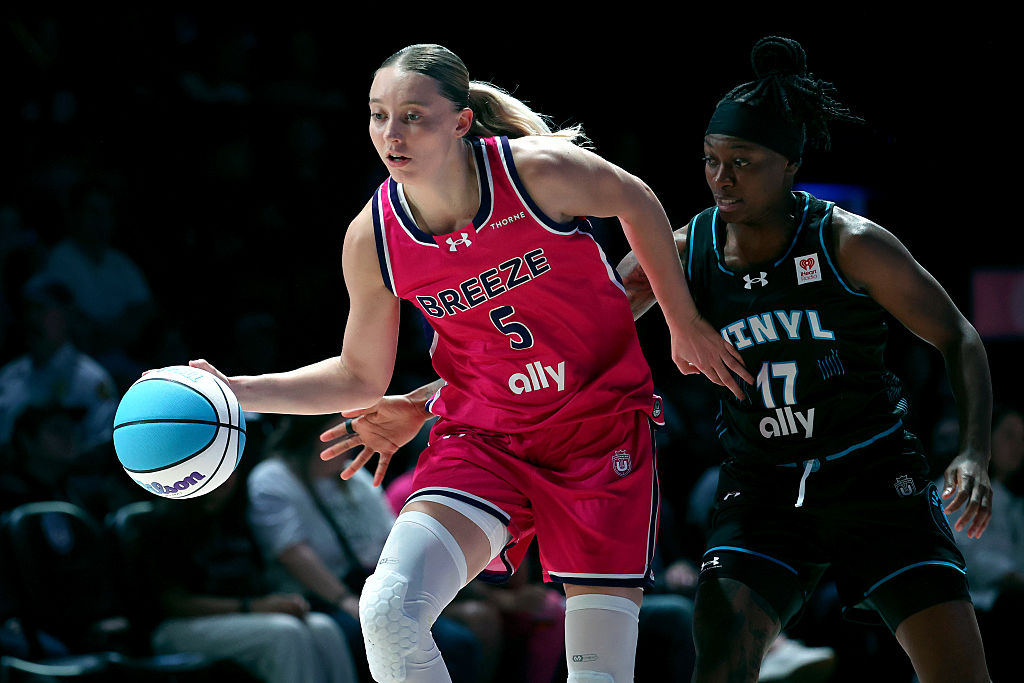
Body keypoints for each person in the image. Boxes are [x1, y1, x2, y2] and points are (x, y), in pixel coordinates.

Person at [189, 43, 750, 683]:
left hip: (600, 433)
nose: (390, 134)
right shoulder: (373, 236)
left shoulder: (537, 172)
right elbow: (359, 377)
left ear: (460, 122)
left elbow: (639, 200)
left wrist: (685, 324)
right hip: (486, 441)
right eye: (377, 116)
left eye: (412, 116)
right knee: (388, 610)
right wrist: (231, 392)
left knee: (600, 676)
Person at [617, 36, 993, 682]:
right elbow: (586, 320)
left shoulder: (849, 242)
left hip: (872, 475)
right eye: (711, 160)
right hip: (762, 484)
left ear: (790, 164)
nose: (722, 177)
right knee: (720, 650)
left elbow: (959, 336)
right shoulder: (687, 249)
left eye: (743, 161)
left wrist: (973, 453)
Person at [247, 414, 484, 683]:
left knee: (460, 643)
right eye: (345, 431)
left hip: (376, 590)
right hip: (321, 599)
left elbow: (391, 534)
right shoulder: (272, 477)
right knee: (375, 649)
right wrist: (344, 600)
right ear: (313, 434)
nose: (354, 439)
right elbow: (292, 553)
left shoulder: (355, 474)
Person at [141, 469, 359, 683]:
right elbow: (175, 604)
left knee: (324, 627)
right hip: (180, 626)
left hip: (246, 614)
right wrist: (252, 607)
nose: (225, 477)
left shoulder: (234, 517)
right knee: (285, 633)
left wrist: (280, 603)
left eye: (229, 468)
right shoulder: (163, 521)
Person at [950, 405, 1024, 680]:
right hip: (975, 607)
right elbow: (961, 552)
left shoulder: (1014, 503)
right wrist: (1009, 576)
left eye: (1022, 439)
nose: (1017, 446)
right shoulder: (959, 485)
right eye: (1009, 436)